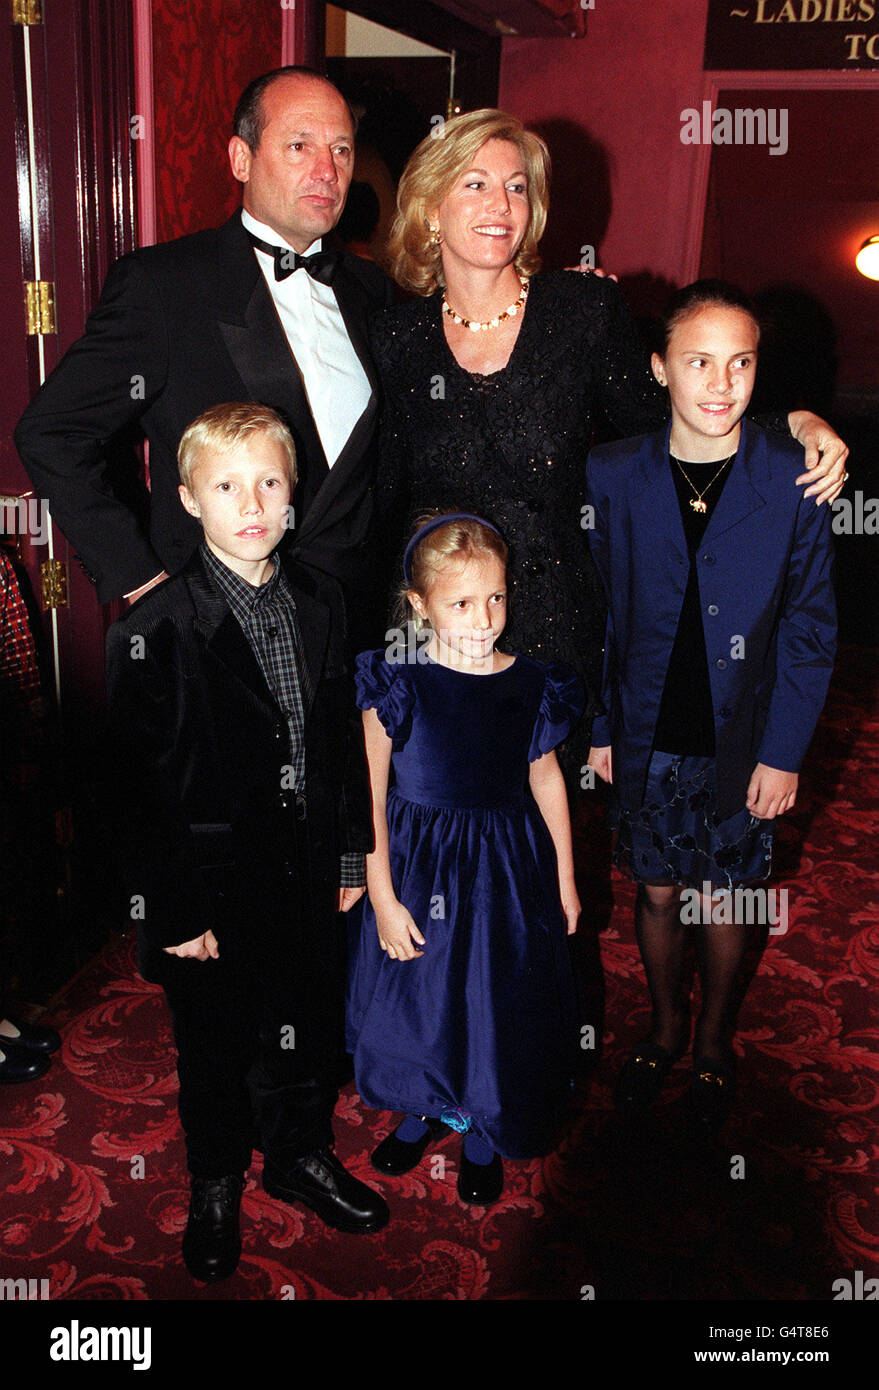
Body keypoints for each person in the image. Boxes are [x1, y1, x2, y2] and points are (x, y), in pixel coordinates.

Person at [370, 108, 847, 771]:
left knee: (541, 843)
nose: (500, 204)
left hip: (554, 633)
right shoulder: (394, 340)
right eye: (474, 184)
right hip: (434, 636)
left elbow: (671, 423)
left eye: (516, 186)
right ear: (429, 206)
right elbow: (382, 496)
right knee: (439, 824)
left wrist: (790, 422)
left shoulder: (580, 312)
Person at [105, 402, 388, 1283]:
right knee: (215, 1044)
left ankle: (298, 1154)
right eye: (226, 486)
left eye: (270, 480)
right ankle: (217, 1179)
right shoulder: (152, 628)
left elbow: (340, 738)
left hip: (303, 868)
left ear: (294, 489)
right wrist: (174, 912)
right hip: (205, 889)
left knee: (301, 1024)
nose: (252, 502)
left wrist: (349, 855)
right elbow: (130, 791)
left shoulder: (322, 601)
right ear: (187, 499)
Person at [15, 67, 391, 640]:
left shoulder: (374, 291)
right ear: (241, 159)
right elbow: (51, 431)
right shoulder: (164, 287)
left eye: (341, 149)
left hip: (352, 636)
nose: (326, 170)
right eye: (299, 146)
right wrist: (143, 580)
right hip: (217, 636)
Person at [584, 281, 837, 1123]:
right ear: (659, 368)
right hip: (645, 732)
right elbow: (595, 615)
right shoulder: (612, 473)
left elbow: (808, 630)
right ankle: (660, 1029)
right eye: (698, 361)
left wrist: (783, 752)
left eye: (740, 362)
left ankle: (713, 1041)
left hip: (745, 739)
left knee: (726, 898)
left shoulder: (791, 477)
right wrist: (597, 730)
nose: (720, 383)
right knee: (656, 892)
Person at [346, 512, 583, 1206]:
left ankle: (480, 1120)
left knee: (492, 996)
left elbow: (545, 779)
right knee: (422, 997)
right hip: (416, 865)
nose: (483, 618)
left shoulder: (532, 681)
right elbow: (369, 788)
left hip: (505, 871)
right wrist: (382, 895)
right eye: (459, 602)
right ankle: (422, 1107)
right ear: (417, 605)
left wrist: (564, 878)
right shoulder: (395, 679)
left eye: (496, 597)